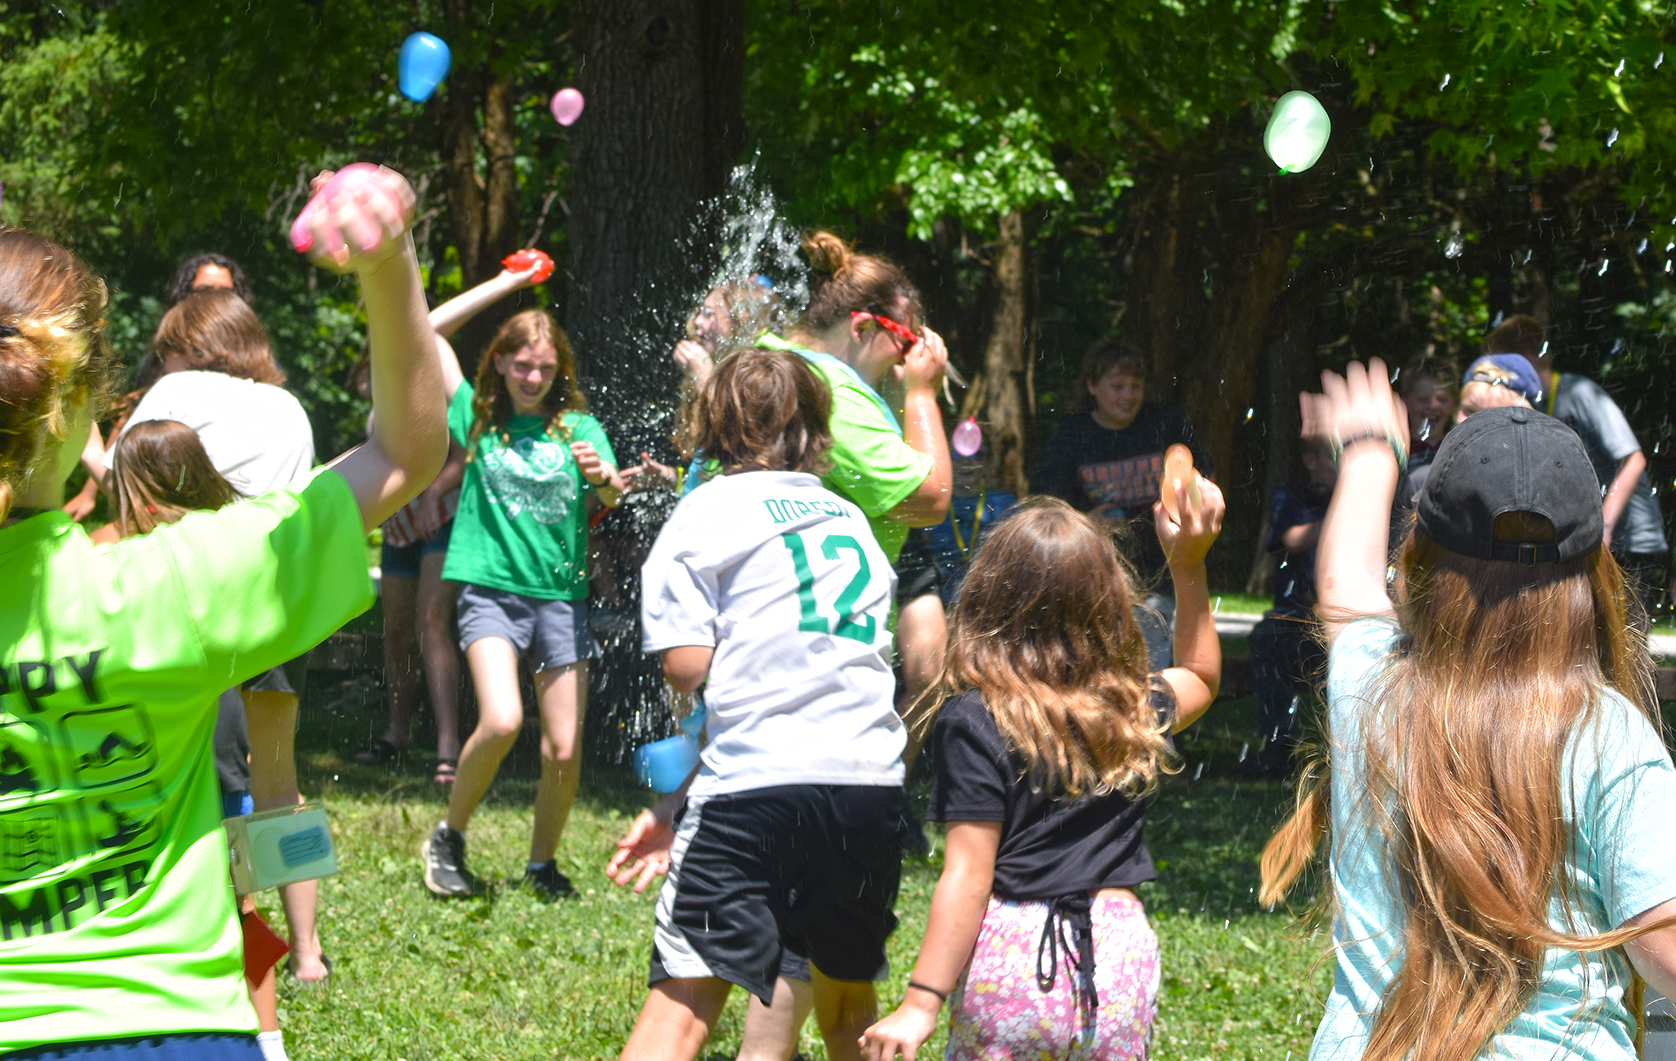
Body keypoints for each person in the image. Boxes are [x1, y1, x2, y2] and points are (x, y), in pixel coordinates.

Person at [0, 168, 444, 1056]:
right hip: (171, 1028)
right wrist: (389, 262)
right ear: (85, 400)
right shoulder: (168, 587)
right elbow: (408, 448)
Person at [1258, 359, 1676, 1061]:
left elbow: (1345, 585)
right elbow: (1662, 940)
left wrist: (1367, 453)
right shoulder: (1610, 734)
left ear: (1418, 554)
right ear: (1592, 574)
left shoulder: (1373, 687)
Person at [611, 347, 910, 1061]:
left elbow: (687, 669)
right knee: (848, 1010)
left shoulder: (704, 510)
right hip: (870, 789)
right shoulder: (850, 516)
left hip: (755, 794)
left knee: (681, 1010)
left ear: (711, 422)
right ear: (815, 428)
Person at [858, 483, 1224, 1061]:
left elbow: (968, 875)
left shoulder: (974, 719)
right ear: (1108, 601)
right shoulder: (1128, 706)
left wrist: (922, 1001)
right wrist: (1189, 564)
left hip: (1016, 957)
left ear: (986, 599)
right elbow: (1201, 675)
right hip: (1116, 955)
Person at [111, 286, 330, 981]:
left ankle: (228, 941)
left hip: (192, 612)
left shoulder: (175, 390)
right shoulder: (288, 407)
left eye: (166, 346)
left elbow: (125, 477)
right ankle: (307, 950)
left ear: (187, 345)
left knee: (212, 785)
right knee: (278, 783)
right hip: (271, 614)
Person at [418, 297, 625, 899]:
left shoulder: (578, 428)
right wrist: (505, 281)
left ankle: (542, 865)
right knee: (503, 718)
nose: (534, 379)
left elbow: (612, 496)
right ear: (501, 363)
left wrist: (601, 476)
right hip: (490, 592)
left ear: (560, 370)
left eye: (545, 368)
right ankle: (449, 834)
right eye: (522, 366)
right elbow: (426, 329)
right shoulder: (476, 418)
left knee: (563, 746)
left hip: (561, 599)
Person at [104, 418, 292, 1061]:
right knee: (228, 912)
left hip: (205, 779)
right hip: (190, 774)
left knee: (236, 912)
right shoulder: (204, 560)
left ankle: (268, 1038)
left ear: (148, 496)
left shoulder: (199, 571)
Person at [1033, 336, 1208, 670]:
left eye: (1136, 385)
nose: (1129, 396)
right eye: (1118, 386)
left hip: (1158, 574)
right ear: (1092, 386)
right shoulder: (1072, 438)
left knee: (1151, 674)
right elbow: (1044, 509)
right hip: (1094, 577)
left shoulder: (1164, 426)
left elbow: (1203, 480)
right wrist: (1085, 521)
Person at [1489, 314, 1671, 624]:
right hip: (1586, 535)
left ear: (1525, 359)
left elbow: (1634, 459)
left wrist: (1606, 526)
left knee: (1626, 637)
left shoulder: (1579, 393)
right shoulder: (1530, 403)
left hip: (1630, 535)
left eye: (1500, 366)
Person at [347, 351, 469, 785]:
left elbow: (462, 452)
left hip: (440, 518)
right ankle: (398, 732)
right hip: (398, 523)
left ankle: (448, 749)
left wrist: (433, 494)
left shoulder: (436, 388)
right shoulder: (380, 395)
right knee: (396, 631)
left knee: (432, 622)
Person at [1246, 436, 1335, 779]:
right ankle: (1279, 747)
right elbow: (1291, 539)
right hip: (1294, 617)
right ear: (1311, 460)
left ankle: (1343, 754)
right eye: (1333, 456)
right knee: (1265, 642)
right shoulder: (1292, 494)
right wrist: (1342, 516)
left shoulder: (1356, 494)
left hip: (1340, 622)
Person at [1391, 354, 1541, 539]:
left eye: (1495, 414)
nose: (1477, 423)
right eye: (1470, 410)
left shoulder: (1541, 490)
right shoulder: (1424, 480)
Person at [1394, 354, 1457, 463]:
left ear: (1453, 404)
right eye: (1423, 399)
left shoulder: (1458, 450)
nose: (1433, 406)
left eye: (1442, 399)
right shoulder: (1397, 452)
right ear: (1404, 403)